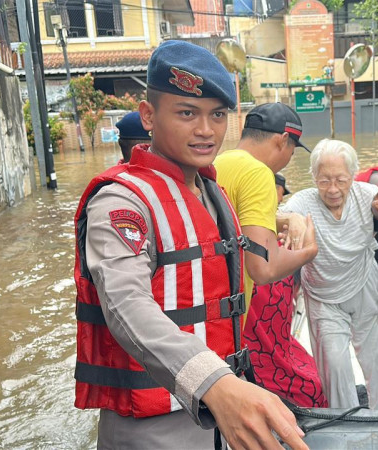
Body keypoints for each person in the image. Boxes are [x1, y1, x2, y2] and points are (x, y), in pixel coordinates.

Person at [72, 40, 307, 450]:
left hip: (220, 410)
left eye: (217, 115)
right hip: (155, 426)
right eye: (186, 113)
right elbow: (127, 304)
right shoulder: (121, 201)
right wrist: (214, 382)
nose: (206, 130)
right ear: (148, 115)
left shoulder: (210, 190)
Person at [280, 138, 378, 410]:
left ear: (353, 176)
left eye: (341, 180)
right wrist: (289, 220)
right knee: (335, 366)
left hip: (364, 285)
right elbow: (269, 218)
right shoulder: (303, 202)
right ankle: (345, 422)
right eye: (324, 181)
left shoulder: (367, 194)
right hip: (324, 296)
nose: (333, 189)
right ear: (314, 177)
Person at [214, 103, 318, 318]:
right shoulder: (259, 174)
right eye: (292, 150)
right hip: (227, 314)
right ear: (282, 140)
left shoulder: (218, 162)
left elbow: (233, 219)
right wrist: (308, 252)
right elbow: (263, 269)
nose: (289, 159)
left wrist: (282, 219)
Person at [242, 174, 328, 408]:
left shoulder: (282, 241)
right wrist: (309, 250)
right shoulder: (252, 254)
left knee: (319, 382)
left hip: (279, 343)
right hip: (259, 351)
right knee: (312, 388)